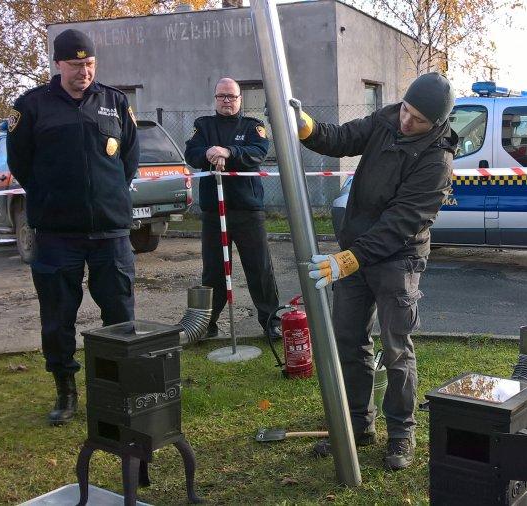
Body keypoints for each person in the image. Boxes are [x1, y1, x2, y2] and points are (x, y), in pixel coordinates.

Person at [293, 72, 457, 470]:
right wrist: (306, 126)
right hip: (357, 250)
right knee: (348, 339)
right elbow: (342, 138)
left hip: (398, 259)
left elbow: (400, 223)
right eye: (405, 109)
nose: (406, 121)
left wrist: (346, 260)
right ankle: (357, 425)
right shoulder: (386, 119)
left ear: (435, 123)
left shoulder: (437, 160)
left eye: (417, 119)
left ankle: (401, 434)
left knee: (396, 348)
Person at [6, 29, 139, 426]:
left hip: (110, 233)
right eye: (76, 65)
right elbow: (22, 163)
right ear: (58, 64)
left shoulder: (115, 102)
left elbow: (128, 160)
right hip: (56, 235)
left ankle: (116, 389)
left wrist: (107, 194)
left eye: (90, 64)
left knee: (119, 313)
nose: (84, 71)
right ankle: (65, 390)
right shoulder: (31, 107)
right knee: (58, 316)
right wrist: (52, 198)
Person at [184, 78, 281, 341]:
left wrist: (228, 151)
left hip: (247, 210)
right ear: (215, 99)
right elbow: (191, 154)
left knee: (259, 268)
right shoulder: (203, 126)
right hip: (214, 212)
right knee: (212, 270)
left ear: (240, 99)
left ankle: (271, 321)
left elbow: (257, 152)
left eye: (232, 96)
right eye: (222, 96)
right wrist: (209, 154)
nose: (227, 100)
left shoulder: (253, 126)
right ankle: (207, 322)